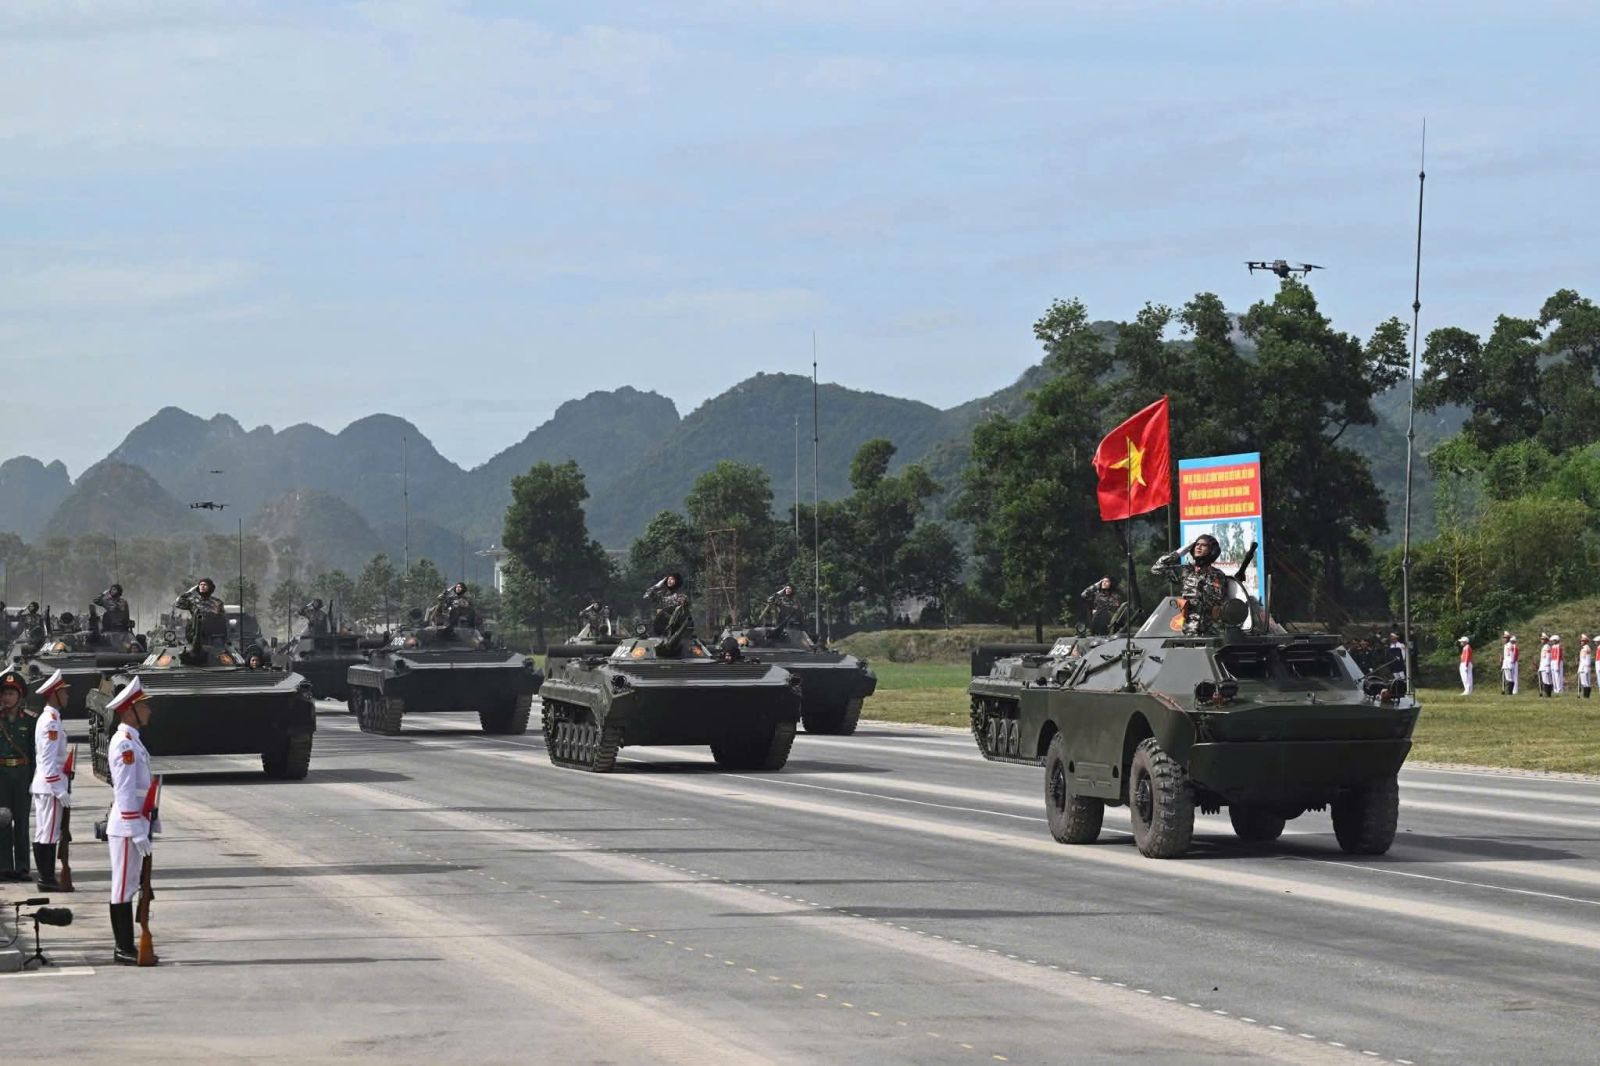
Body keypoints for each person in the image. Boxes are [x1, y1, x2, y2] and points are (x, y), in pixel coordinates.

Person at [105, 677, 157, 966]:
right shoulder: (124, 744)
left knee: (130, 884)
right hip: (127, 828)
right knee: (123, 887)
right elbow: (125, 792)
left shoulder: (133, 742)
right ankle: (122, 947)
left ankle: (127, 944)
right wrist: (136, 830)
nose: (148, 711)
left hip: (136, 823)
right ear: (129, 711)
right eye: (143, 706)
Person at [29, 669, 70, 892]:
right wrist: (58, 788)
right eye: (63, 692)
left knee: (44, 831)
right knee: (49, 832)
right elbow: (47, 759)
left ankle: (46, 877)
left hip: (45, 785)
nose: (67, 696)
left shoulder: (49, 718)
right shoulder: (51, 722)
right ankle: (47, 878)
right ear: (54, 694)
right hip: (50, 786)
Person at [1150, 536, 1232, 637]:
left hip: (1213, 631)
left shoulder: (1218, 575)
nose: (1198, 547)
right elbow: (1156, 568)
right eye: (1197, 544)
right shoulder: (1186, 571)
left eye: (1204, 545)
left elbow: (1224, 601)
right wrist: (1179, 553)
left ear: (1212, 550)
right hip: (1190, 630)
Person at [0, 670, 36, 882]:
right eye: (4, 693)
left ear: (19, 696)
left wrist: (34, 780)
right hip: (2, 776)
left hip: (22, 775)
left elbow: (34, 753)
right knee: (3, 820)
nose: (7, 697)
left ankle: (22, 866)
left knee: (21, 822)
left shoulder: (30, 721)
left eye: (11, 693)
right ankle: (4, 866)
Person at [645, 572, 694, 652]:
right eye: (668, 579)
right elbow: (647, 595)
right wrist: (657, 585)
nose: (669, 581)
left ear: (677, 581)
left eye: (672, 579)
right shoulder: (661, 594)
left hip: (676, 628)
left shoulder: (681, 596)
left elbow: (684, 613)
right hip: (661, 627)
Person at [1579, 635, 1594, 700]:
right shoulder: (1583, 648)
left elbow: (1587, 659)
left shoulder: (1587, 648)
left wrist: (1586, 667)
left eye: (1583, 641)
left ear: (1586, 641)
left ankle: (1587, 696)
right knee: (1583, 682)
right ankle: (1585, 695)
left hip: (1585, 667)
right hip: (1582, 667)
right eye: (1581, 641)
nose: (1581, 642)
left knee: (1586, 682)